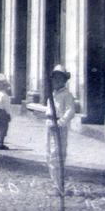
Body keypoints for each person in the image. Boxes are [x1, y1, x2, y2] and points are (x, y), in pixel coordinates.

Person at [46, 65, 75, 194]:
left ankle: (59, 186)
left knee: (57, 156)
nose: (56, 81)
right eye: (54, 78)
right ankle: (55, 184)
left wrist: (60, 123)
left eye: (60, 78)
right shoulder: (53, 94)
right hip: (50, 126)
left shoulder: (66, 95)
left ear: (64, 80)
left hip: (59, 128)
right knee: (50, 154)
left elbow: (70, 111)